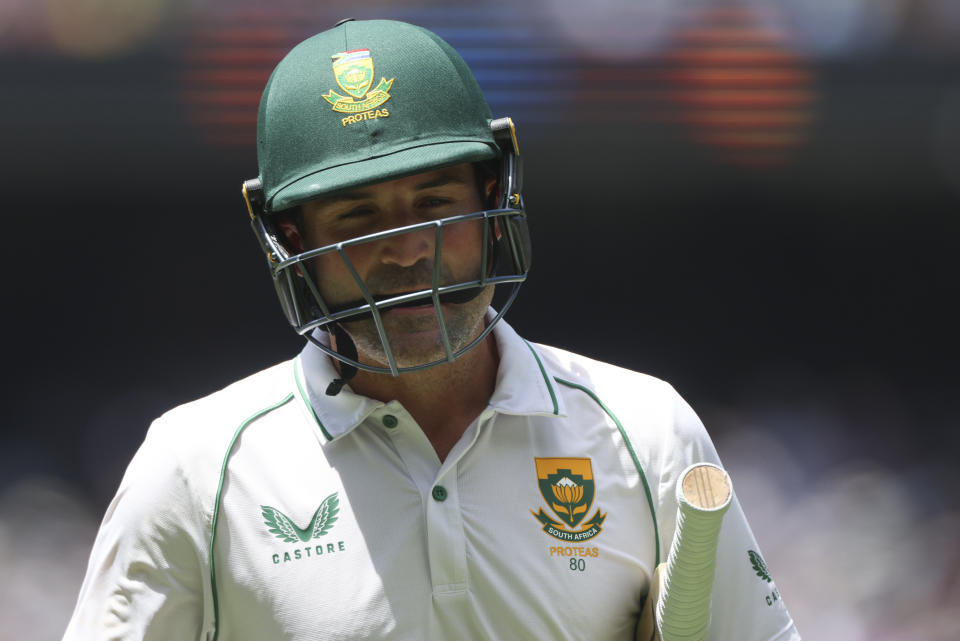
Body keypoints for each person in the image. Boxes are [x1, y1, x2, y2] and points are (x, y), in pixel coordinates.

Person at [64, 19, 800, 641]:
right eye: (358, 216)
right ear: (288, 236)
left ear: (491, 198)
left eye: (433, 202)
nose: (408, 248)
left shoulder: (648, 434)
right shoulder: (195, 467)